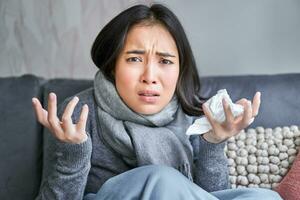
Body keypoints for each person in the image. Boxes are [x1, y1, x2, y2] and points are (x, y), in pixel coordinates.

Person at [31, 3, 282, 200]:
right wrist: (73, 154)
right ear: (112, 66)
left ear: (179, 69)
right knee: (161, 179)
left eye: (165, 61)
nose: (150, 77)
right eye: (134, 59)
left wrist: (213, 143)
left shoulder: (191, 115)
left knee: (266, 197)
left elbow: (209, 195)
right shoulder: (77, 114)